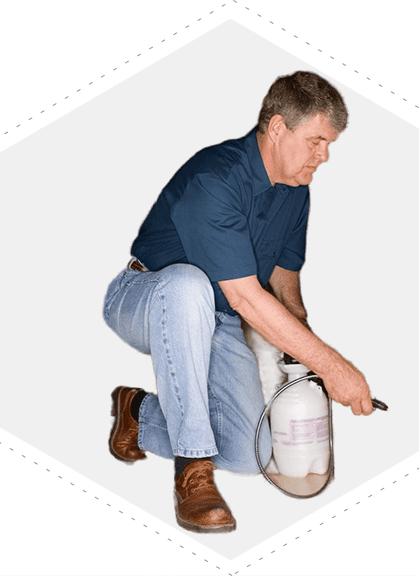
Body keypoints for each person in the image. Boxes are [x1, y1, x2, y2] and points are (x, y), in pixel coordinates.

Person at [102, 71, 374, 534]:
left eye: (328, 144)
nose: (323, 156)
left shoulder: (296, 192)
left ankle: (137, 413)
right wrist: (332, 366)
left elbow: (283, 276)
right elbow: (247, 298)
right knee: (189, 285)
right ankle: (192, 469)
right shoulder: (215, 178)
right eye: (316, 141)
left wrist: (300, 344)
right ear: (277, 128)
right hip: (145, 296)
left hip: (220, 319)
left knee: (251, 455)